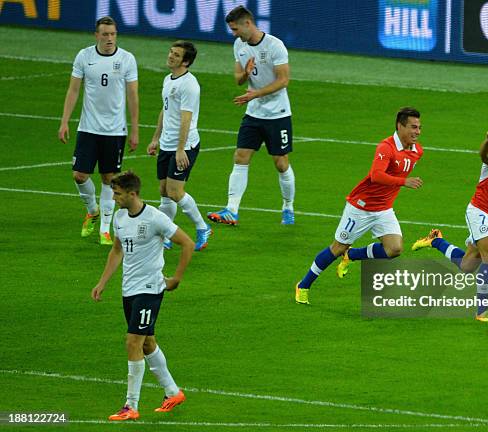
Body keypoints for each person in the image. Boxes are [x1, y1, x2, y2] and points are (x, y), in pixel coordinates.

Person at [91, 171, 194, 421]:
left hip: (150, 289)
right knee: (147, 343)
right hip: (129, 290)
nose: (113, 198)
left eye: (117, 193)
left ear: (132, 194)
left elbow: (187, 243)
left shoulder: (155, 219)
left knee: (132, 341)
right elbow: (117, 250)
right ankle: (172, 392)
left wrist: (177, 277)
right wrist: (103, 282)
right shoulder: (120, 217)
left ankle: (131, 405)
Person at [295, 107, 425, 305]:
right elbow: (376, 175)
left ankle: (352, 255)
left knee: (395, 249)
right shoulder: (386, 148)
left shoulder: (417, 151)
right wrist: (403, 182)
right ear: (400, 126)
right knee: (337, 247)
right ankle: (303, 286)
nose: (417, 132)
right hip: (361, 208)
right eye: (413, 127)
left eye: (419, 128)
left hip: (383, 209)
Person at [411, 123, 488, 324]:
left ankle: (435, 240)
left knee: (467, 265)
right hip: (479, 211)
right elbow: (484, 156)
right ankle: (482, 311)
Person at [207, 5, 295, 226]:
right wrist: (245, 74)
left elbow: (283, 80)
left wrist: (255, 93)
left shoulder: (275, 46)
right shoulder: (240, 45)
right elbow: (237, 78)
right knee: (240, 156)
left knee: (281, 163)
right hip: (254, 113)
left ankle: (288, 206)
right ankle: (232, 210)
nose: (234, 34)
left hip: (278, 113)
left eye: (236, 29)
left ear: (248, 23)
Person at [58, 16, 139, 245]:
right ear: (97, 35)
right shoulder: (84, 56)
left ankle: (105, 228)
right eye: (105, 34)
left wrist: (134, 129)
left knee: (109, 178)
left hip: (115, 131)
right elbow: (73, 90)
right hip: (88, 127)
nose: (109, 38)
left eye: (113, 34)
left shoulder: (126, 59)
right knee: (79, 175)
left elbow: (133, 95)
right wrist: (64, 121)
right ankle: (92, 209)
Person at [147, 41, 211, 251]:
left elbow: (186, 119)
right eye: (170, 52)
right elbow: (165, 110)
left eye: (176, 55)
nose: (170, 56)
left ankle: (202, 227)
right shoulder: (169, 79)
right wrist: (156, 138)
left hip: (184, 145)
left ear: (185, 61)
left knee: (175, 191)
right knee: (164, 190)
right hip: (166, 144)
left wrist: (181, 149)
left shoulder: (189, 85)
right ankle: (166, 234)